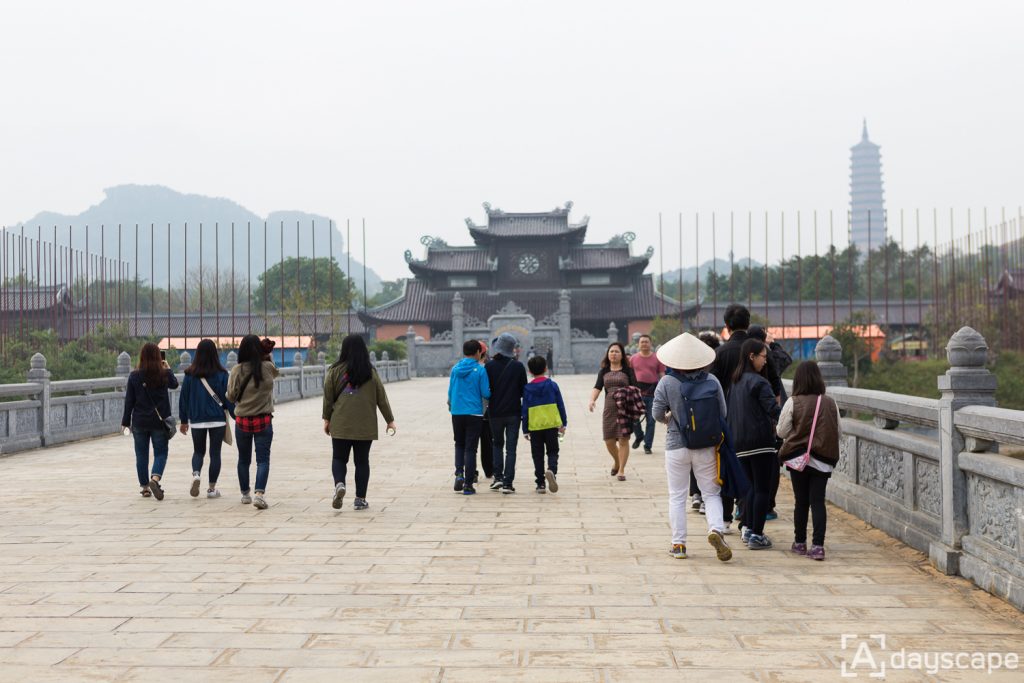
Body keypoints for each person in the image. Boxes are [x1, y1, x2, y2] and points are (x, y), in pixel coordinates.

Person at [652, 332, 732, 562]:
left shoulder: (667, 382)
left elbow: (657, 413)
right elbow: (723, 413)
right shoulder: (712, 380)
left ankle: (679, 545)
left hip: (676, 444)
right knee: (710, 492)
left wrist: (670, 418)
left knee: (677, 496)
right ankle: (715, 530)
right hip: (706, 445)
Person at [322, 335, 397, 511]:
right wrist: (390, 420)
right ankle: (360, 499)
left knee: (339, 458)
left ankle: (339, 484)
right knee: (362, 461)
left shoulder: (334, 370)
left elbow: (328, 397)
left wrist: (326, 419)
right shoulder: (370, 372)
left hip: (341, 422)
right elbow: (381, 398)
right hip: (365, 423)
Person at [777, 361, 842, 561]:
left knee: (801, 502)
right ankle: (818, 546)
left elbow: (782, 431)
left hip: (798, 460)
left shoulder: (793, 402)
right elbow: (838, 431)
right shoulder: (830, 402)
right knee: (818, 502)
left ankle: (799, 543)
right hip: (822, 461)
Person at [728, 338, 782, 549]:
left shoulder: (735, 382)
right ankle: (757, 535)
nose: (765, 362)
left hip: (739, 442)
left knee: (749, 489)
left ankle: (748, 527)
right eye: (763, 357)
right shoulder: (760, 382)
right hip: (760, 441)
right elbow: (773, 410)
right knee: (762, 490)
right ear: (752, 356)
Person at [226, 334, 280, 510]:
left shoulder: (236, 370)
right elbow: (276, 372)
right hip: (263, 420)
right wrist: (267, 356)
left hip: (242, 421)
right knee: (263, 459)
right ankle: (259, 494)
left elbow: (231, 396)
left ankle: (245, 494)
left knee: (243, 459)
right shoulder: (267, 368)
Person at [711, 304, 752, 526]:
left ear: (726, 326)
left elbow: (711, 387)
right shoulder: (757, 351)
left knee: (726, 465)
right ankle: (746, 521)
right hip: (752, 419)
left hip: (726, 419)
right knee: (749, 468)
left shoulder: (720, 353)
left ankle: (725, 519)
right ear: (749, 323)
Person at [178, 339, 234, 499]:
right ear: (215, 354)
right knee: (215, 453)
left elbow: (184, 399)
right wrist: (237, 415)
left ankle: (196, 474)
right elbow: (228, 397)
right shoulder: (222, 374)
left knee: (198, 451)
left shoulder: (190, 375)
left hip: (197, 419)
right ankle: (211, 489)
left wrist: (183, 421)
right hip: (217, 419)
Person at [121, 343, 178, 500]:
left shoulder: (134, 376)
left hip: (139, 421)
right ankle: (155, 479)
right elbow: (175, 384)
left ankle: (145, 488)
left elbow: (129, 401)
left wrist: (125, 422)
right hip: (159, 421)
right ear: (159, 357)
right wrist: (168, 368)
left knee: (141, 455)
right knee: (161, 452)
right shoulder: (164, 374)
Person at [748, 324, 788, 522]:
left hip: (741, 425)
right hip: (765, 426)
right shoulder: (768, 359)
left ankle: (743, 509)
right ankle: (765, 510)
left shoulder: (739, 364)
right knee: (768, 468)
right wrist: (774, 345)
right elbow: (785, 362)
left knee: (747, 471)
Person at [588, 342, 638, 481]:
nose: (614, 354)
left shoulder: (628, 370)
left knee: (623, 439)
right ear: (607, 354)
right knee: (609, 440)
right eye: (611, 351)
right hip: (609, 409)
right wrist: (592, 400)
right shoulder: (604, 371)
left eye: (616, 351)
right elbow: (597, 387)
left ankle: (621, 470)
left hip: (625, 408)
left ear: (622, 354)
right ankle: (617, 461)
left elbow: (635, 387)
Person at [485, 333, 528, 494]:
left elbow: (485, 390)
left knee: (497, 444)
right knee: (511, 448)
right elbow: (524, 390)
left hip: (495, 412)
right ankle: (508, 483)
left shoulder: (489, 366)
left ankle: (498, 478)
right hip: (513, 413)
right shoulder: (518, 367)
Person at [448, 339, 491, 495]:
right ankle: (468, 484)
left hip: (457, 412)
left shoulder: (455, 369)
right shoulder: (480, 370)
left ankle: (459, 474)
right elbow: (486, 393)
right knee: (471, 449)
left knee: (459, 444)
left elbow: (450, 391)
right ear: (479, 352)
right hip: (474, 413)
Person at [522, 355, 567, 494]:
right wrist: (563, 423)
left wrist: (525, 429)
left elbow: (524, 409)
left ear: (529, 371)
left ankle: (540, 483)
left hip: (535, 426)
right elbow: (560, 405)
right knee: (553, 451)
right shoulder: (552, 385)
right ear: (546, 368)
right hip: (551, 425)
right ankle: (551, 470)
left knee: (537, 454)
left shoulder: (527, 388)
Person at [691, 330, 722, 515]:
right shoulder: (714, 376)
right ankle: (704, 498)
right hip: (713, 421)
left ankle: (697, 494)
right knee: (710, 461)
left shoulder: (686, 369)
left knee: (693, 459)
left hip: (693, 421)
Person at [630, 334, 665, 455]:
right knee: (634, 418)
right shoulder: (633, 359)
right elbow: (629, 375)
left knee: (651, 421)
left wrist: (664, 390)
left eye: (646, 342)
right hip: (637, 393)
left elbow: (662, 375)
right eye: (642, 342)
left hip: (652, 392)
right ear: (638, 344)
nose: (644, 344)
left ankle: (648, 445)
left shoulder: (657, 358)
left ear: (651, 343)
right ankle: (639, 436)